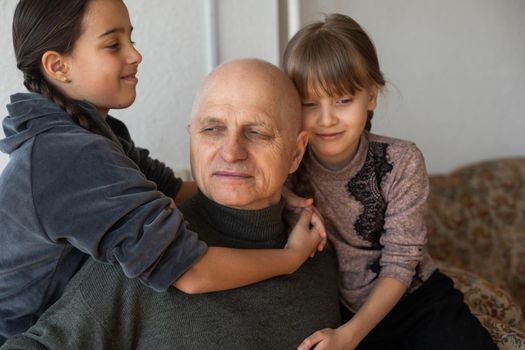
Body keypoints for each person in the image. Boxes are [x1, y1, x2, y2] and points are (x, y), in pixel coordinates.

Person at [0, 0, 324, 342]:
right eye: (113, 44)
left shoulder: (95, 134)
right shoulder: (67, 157)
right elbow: (190, 271)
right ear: (58, 66)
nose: (135, 55)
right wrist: (291, 258)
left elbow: (175, 187)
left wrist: (275, 188)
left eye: (131, 40)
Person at [283, 13, 497, 350]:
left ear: (370, 96)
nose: (326, 120)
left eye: (343, 100)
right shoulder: (288, 165)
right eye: (309, 103)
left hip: (415, 302)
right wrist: (286, 196)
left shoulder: (401, 162)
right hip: (333, 311)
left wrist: (351, 335)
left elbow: (400, 262)